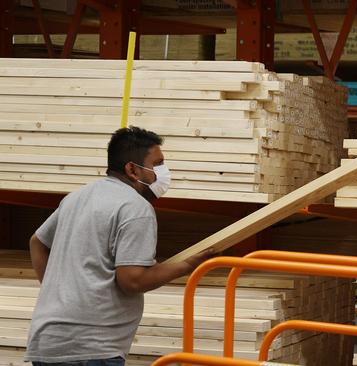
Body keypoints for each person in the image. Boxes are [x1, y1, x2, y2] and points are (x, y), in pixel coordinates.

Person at [26, 126, 216, 365]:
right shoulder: (135, 207)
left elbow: (37, 242)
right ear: (132, 169)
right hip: (93, 348)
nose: (162, 173)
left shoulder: (77, 197)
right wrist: (187, 265)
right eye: (157, 164)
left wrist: (60, 293)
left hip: (48, 341)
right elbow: (132, 280)